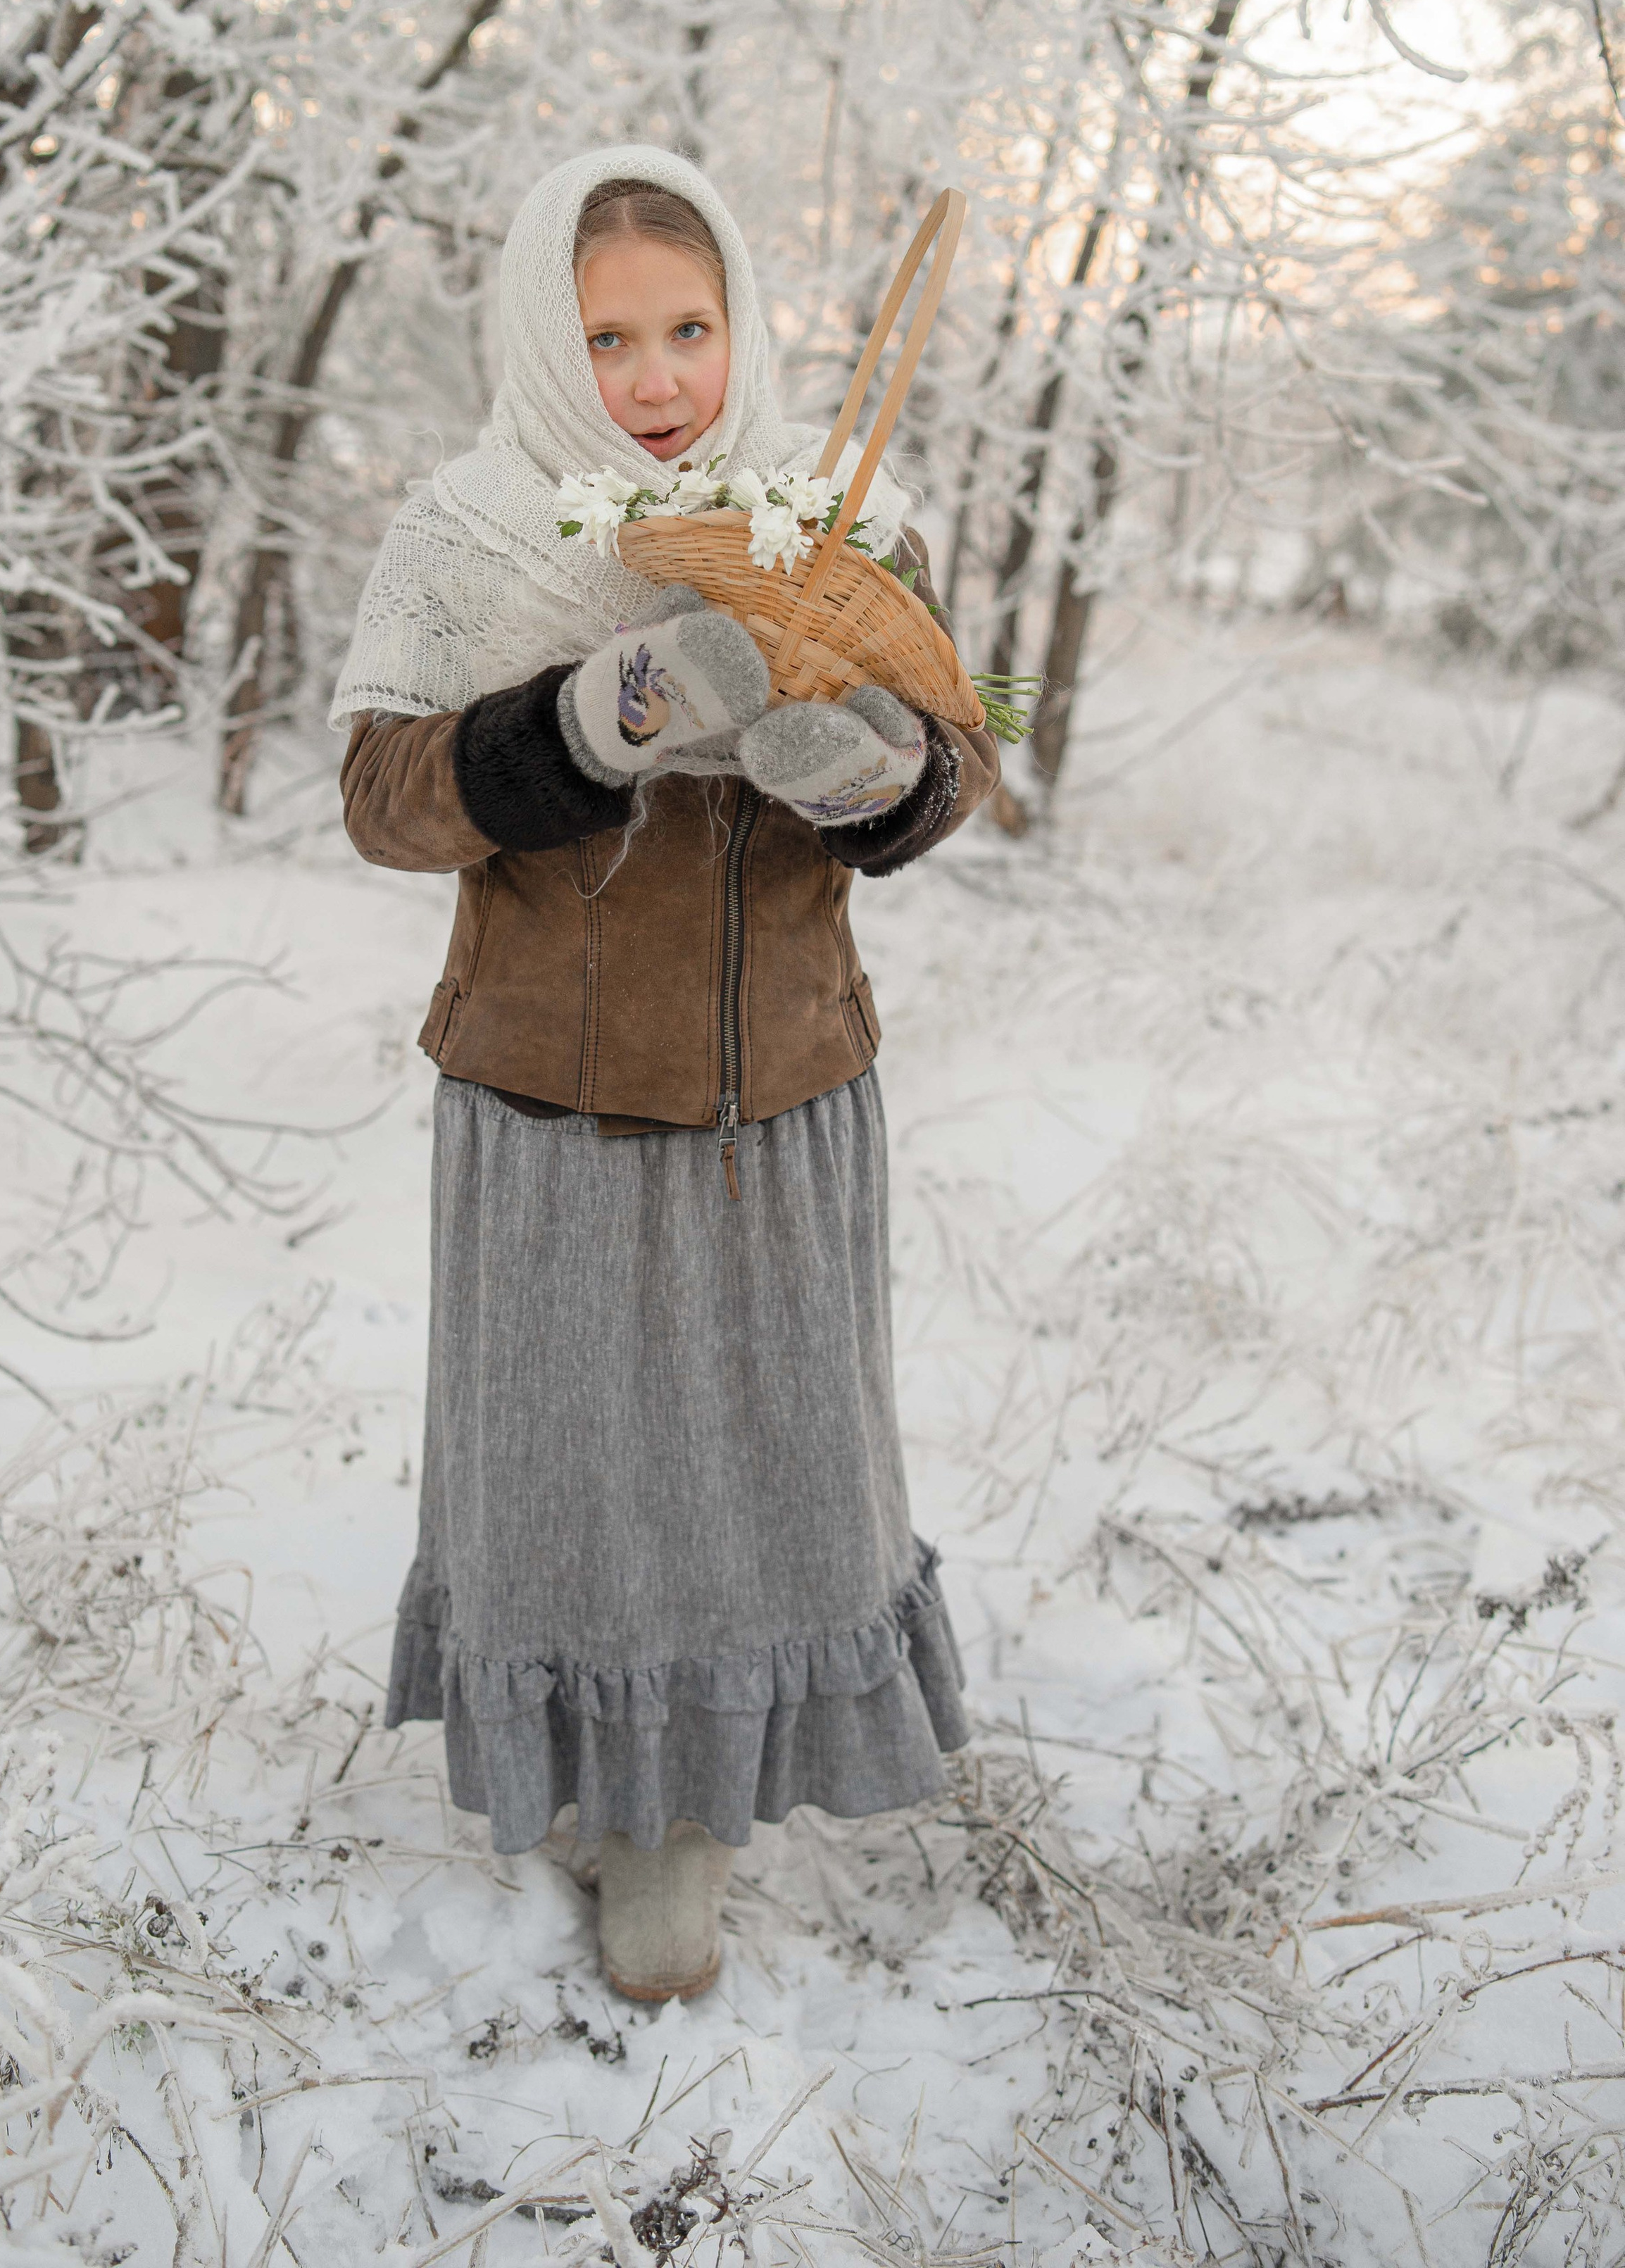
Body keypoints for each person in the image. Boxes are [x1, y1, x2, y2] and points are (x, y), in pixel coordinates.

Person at [332, 146, 999, 2003]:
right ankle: (616, 1808)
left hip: (782, 1100)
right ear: (545, 340)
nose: (656, 377)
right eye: (607, 334)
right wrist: (601, 714)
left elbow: (959, 749)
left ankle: (704, 1808)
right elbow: (384, 797)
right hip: (551, 1104)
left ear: (743, 326)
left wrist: (864, 780)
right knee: (579, 1477)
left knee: (763, 1470)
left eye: (688, 328)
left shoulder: (835, 516)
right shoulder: (477, 535)